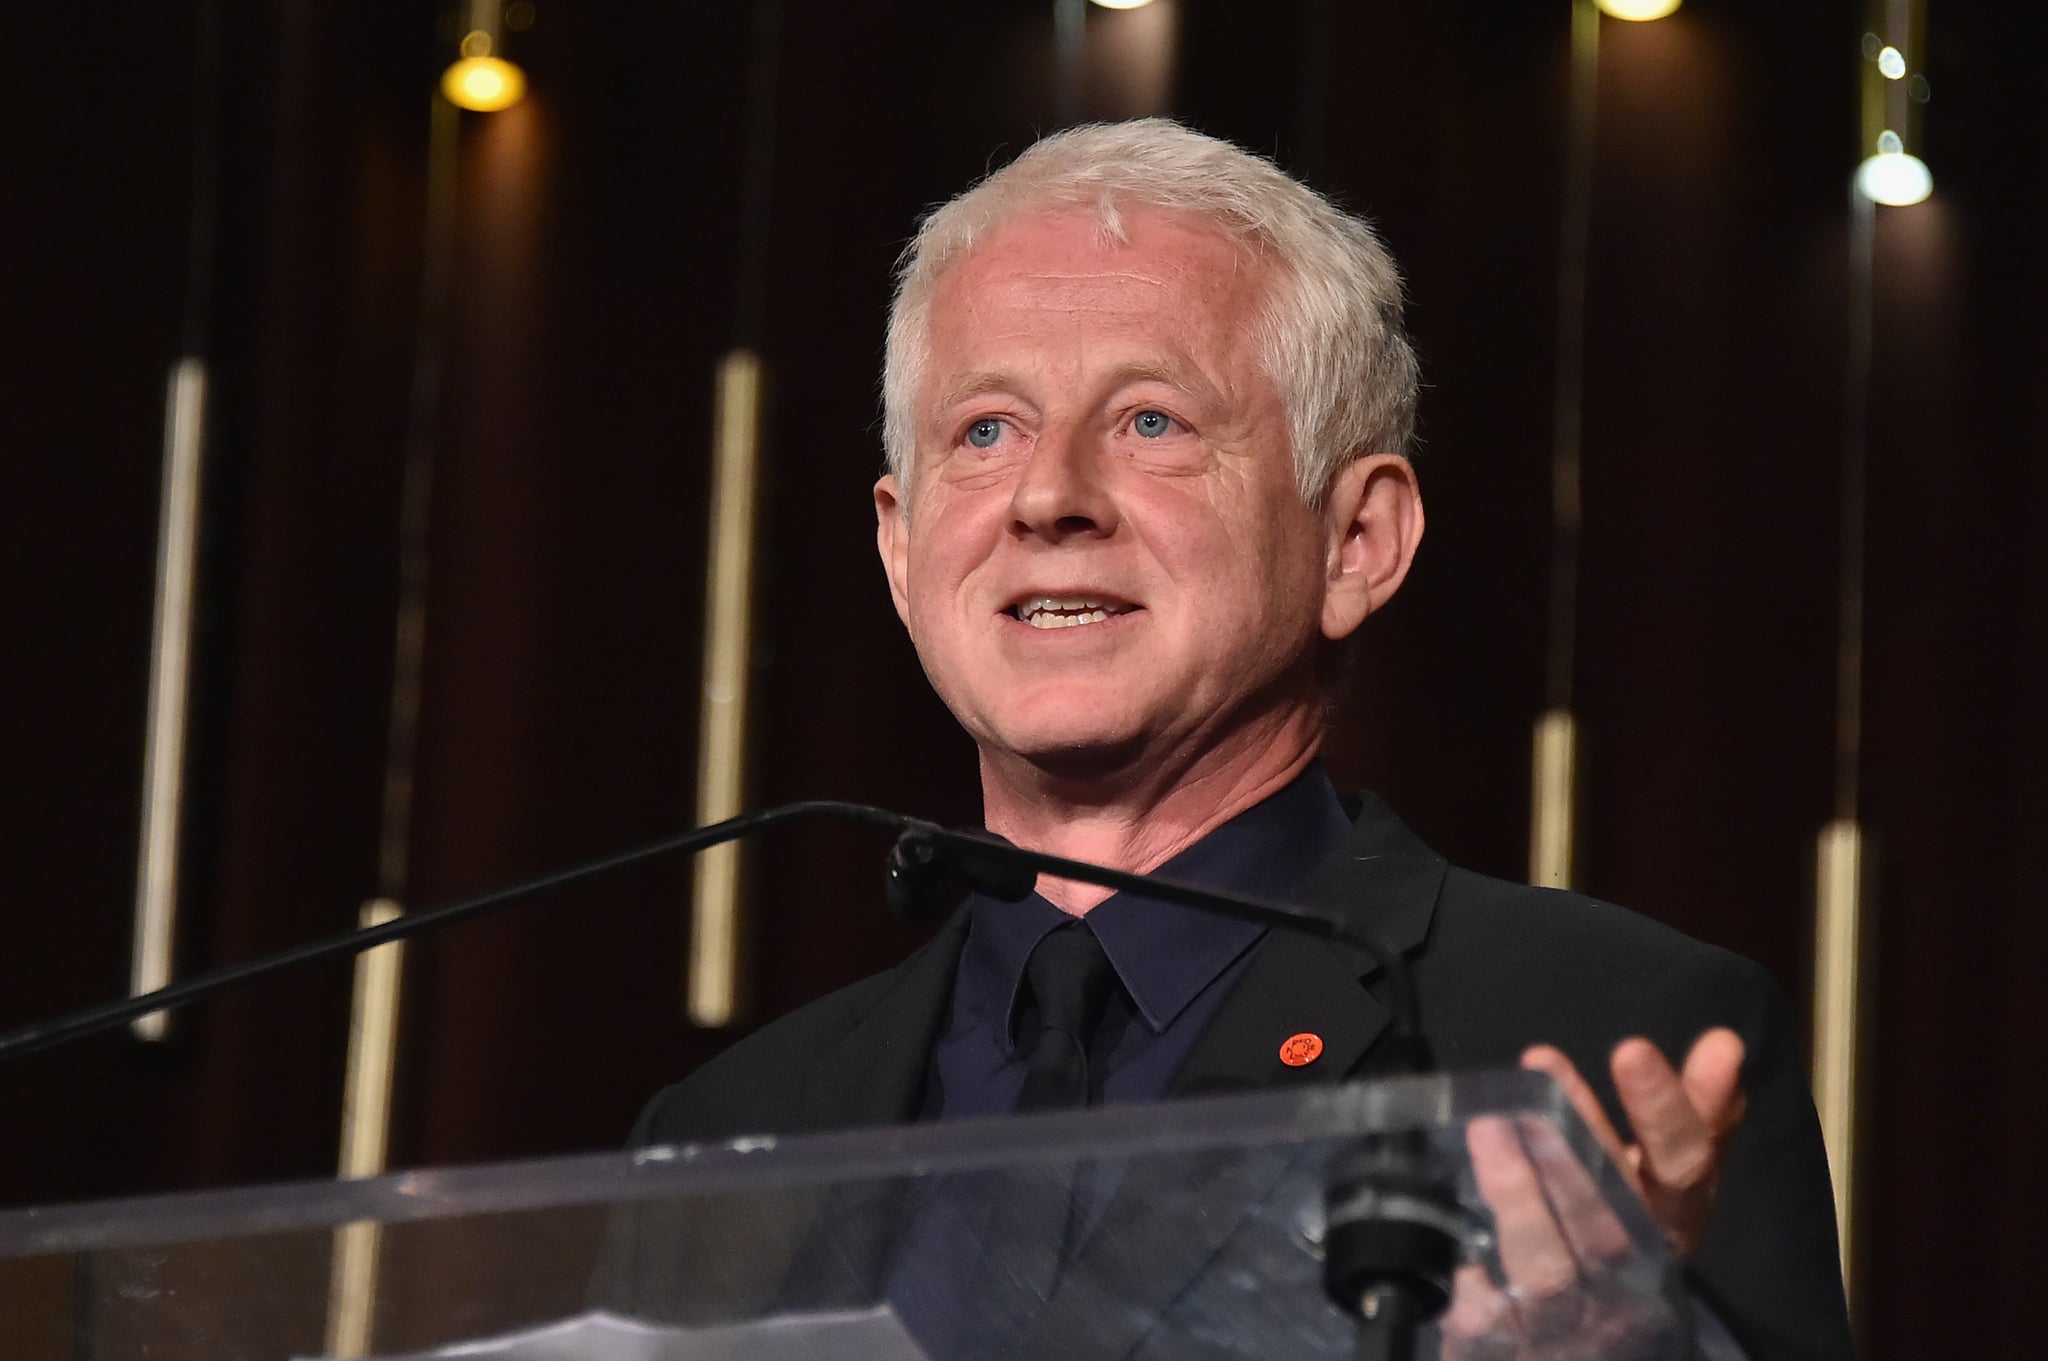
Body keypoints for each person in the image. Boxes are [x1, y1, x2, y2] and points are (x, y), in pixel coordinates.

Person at [632, 119, 1852, 1361]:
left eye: (1151, 420)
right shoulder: (732, 1131)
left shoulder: (1595, 1039)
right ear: (901, 550)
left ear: (1355, 540)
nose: (1049, 495)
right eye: (984, 430)